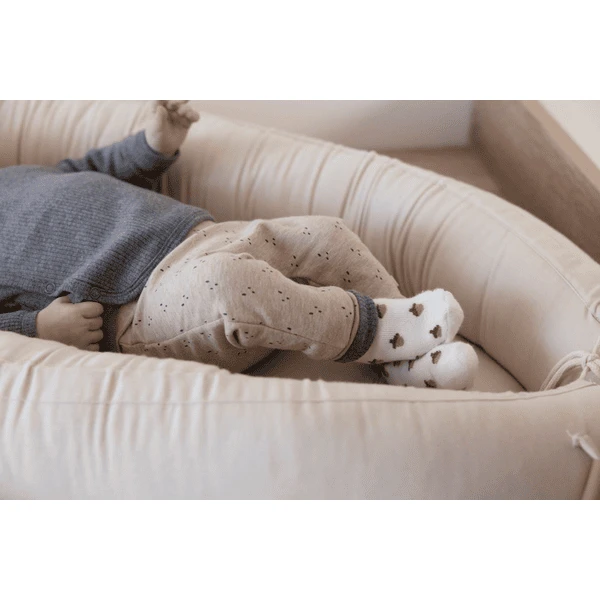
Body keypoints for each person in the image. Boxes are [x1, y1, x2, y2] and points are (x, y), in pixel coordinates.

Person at [0, 101, 478, 389]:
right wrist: (37, 327)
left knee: (325, 234)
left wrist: (153, 144)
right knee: (229, 287)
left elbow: (94, 170)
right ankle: (382, 330)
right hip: (140, 305)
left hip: (190, 233)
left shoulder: (17, 175)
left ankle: (405, 360)